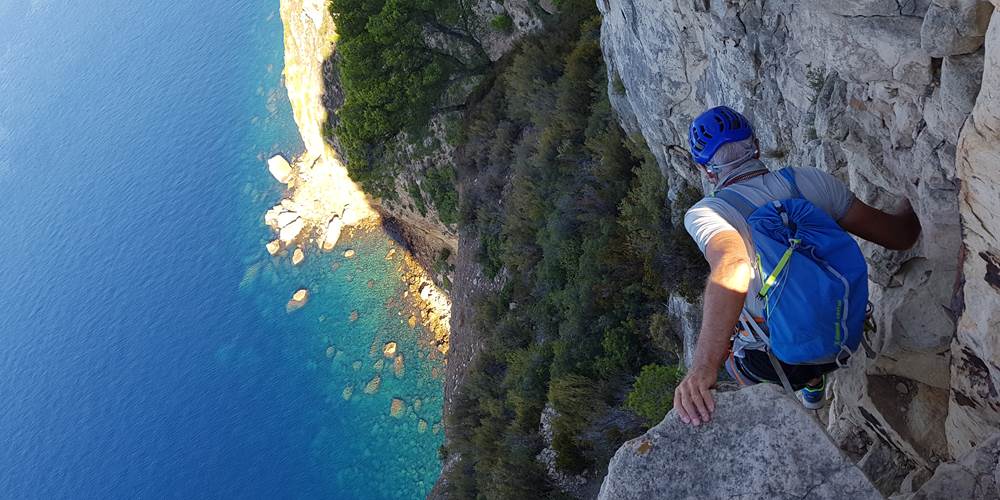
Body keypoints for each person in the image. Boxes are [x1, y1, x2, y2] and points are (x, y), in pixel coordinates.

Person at [673, 106, 921, 426]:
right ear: (757, 145)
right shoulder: (812, 182)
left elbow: (732, 264)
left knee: (739, 360)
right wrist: (916, 195)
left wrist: (703, 368)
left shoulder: (709, 214)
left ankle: (805, 390)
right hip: (842, 334)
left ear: (707, 171)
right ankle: (815, 379)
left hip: (776, 362)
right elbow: (900, 237)